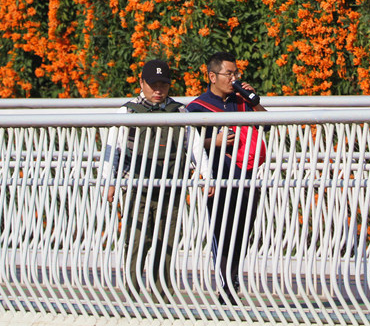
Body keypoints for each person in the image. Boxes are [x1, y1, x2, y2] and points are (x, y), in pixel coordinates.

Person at [101, 59, 213, 304]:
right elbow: (113, 149)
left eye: (163, 84)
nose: (158, 90)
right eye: (153, 84)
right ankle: (131, 294)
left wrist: (206, 175)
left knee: (168, 240)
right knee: (137, 239)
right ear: (142, 83)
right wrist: (109, 181)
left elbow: (193, 146)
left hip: (171, 188)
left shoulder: (179, 112)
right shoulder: (127, 111)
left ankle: (163, 294)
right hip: (136, 188)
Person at [186, 51, 267, 304]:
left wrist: (253, 100)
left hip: (247, 175)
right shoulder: (197, 106)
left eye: (236, 73)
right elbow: (190, 143)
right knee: (223, 230)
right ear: (212, 76)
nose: (234, 78)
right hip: (220, 177)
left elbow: (266, 123)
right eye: (229, 73)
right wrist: (215, 141)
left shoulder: (240, 101)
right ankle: (225, 287)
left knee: (244, 230)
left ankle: (233, 278)